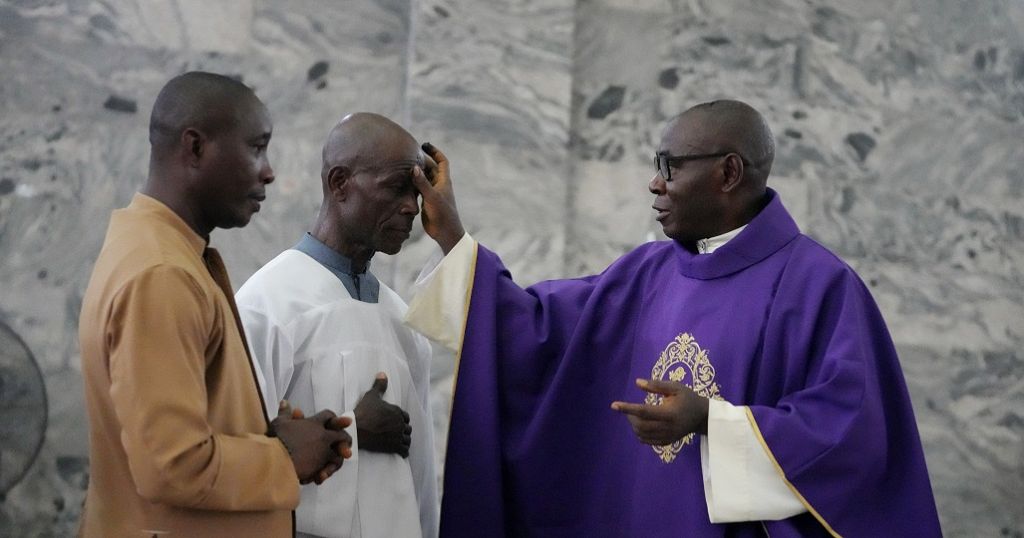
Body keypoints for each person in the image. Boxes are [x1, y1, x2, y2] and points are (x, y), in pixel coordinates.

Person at [405, 100, 942, 537]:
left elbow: (851, 438)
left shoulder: (819, 286)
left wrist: (715, 421)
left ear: (728, 172)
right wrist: (452, 234)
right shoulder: (646, 272)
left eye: (669, 166)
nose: (653, 184)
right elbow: (535, 332)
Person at [78, 71, 354, 537]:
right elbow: (173, 464)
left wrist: (272, 435)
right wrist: (285, 457)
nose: (268, 171)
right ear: (195, 147)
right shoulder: (162, 274)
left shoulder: (159, 249)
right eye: (256, 147)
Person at [236, 112, 439, 538]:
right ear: (340, 183)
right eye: (397, 188)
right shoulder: (268, 304)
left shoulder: (404, 321)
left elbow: (419, 474)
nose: (412, 207)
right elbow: (235, 456)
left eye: (418, 193)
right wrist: (352, 428)